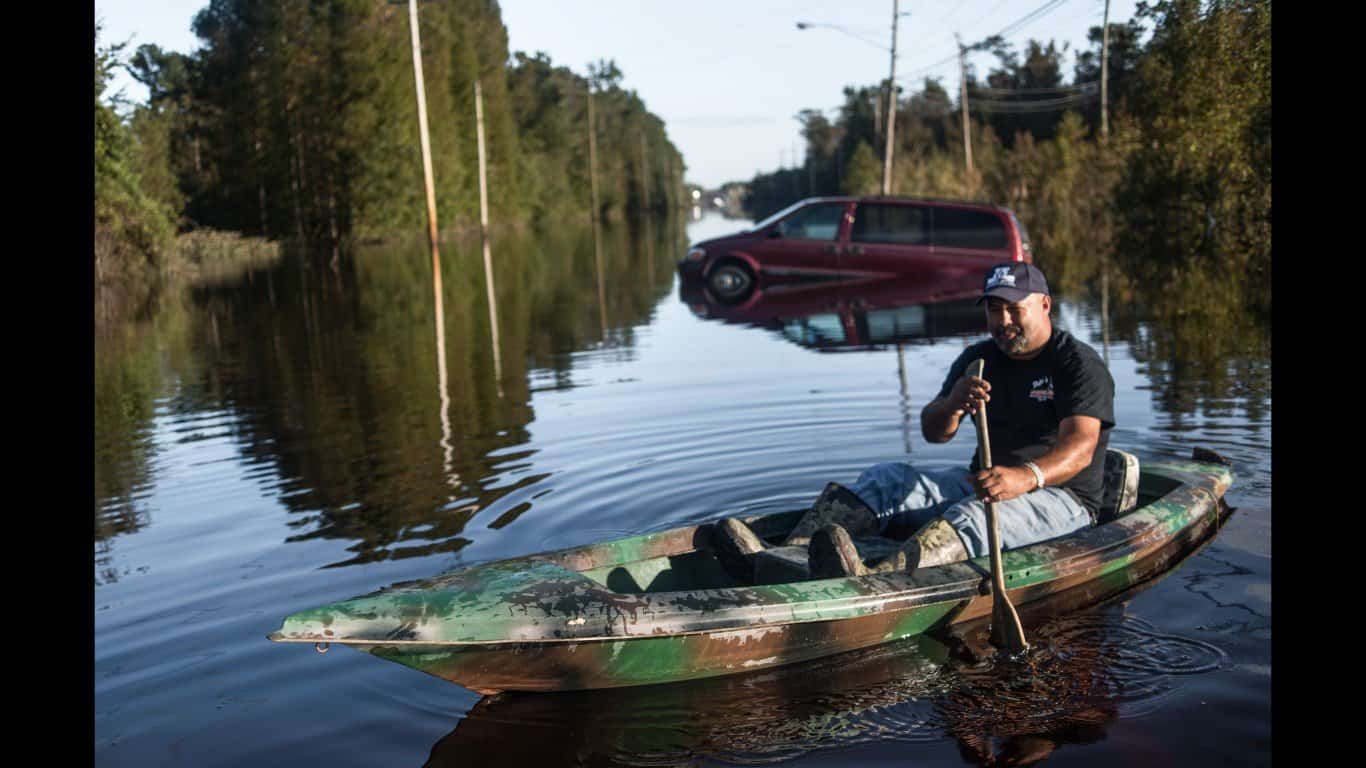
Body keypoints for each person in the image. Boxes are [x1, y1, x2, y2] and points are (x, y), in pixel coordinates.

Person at [714, 261, 1115, 579]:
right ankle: (788, 555)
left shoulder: (1077, 363)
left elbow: (1079, 450)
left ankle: (876, 581)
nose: (1004, 321)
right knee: (887, 479)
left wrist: (1023, 478)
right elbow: (933, 431)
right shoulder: (979, 359)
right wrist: (954, 404)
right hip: (984, 482)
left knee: (971, 518)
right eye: (995, 310)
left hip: (1063, 500)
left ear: (1045, 305)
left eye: (1014, 309)